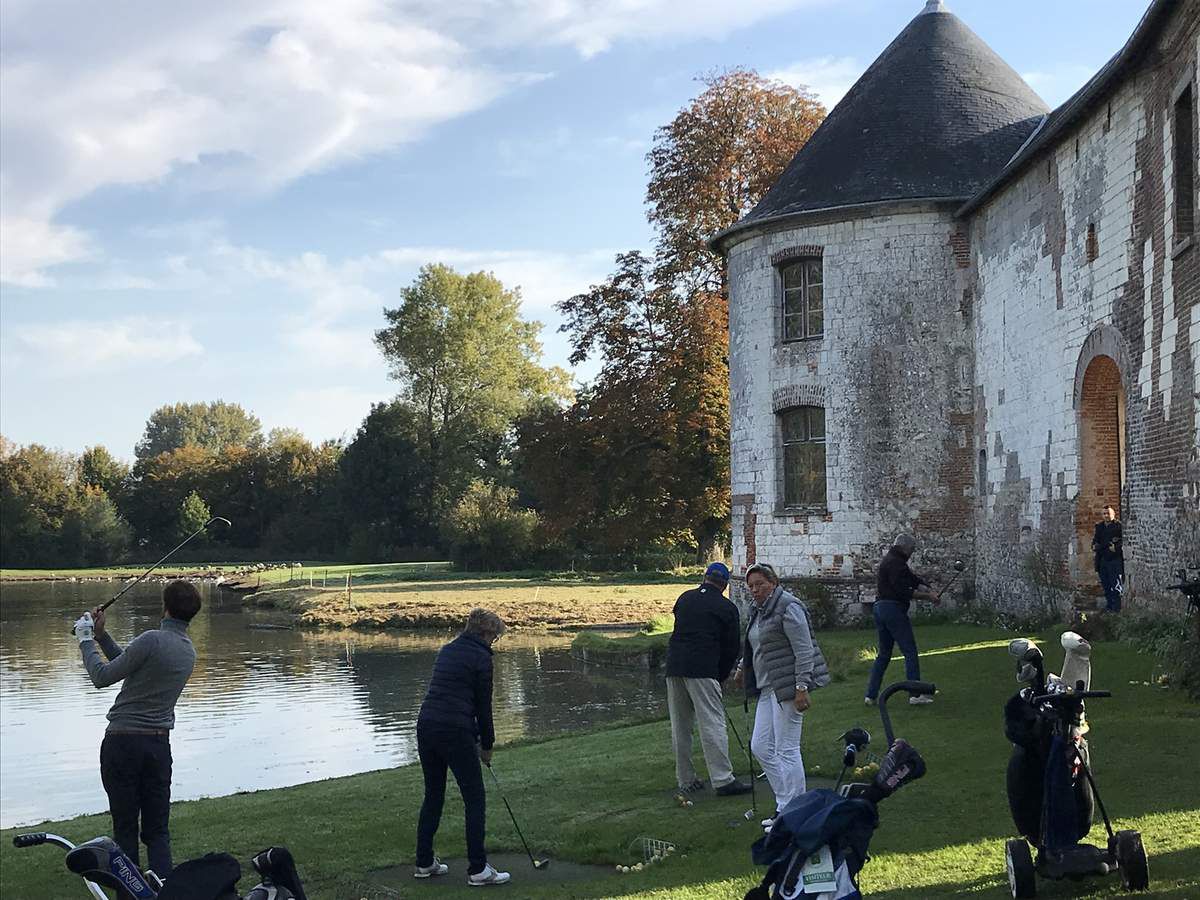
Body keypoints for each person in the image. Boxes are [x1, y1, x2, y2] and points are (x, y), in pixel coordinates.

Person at [72, 580, 201, 878]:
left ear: (165, 607)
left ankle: (130, 893)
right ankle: (164, 889)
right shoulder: (187, 651)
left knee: (126, 828)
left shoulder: (151, 639)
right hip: (158, 747)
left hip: (123, 745)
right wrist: (102, 637)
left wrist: (85, 639)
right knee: (157, 830)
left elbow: (103, 676)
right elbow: (129, 664)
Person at [414, 608, 510, 886]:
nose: (495, 642)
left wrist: (477, 736)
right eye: (495, 637)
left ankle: (424, 862)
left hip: (427, 725)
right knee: (475, 798)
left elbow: (457, 696)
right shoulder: (482, 657)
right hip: (454, 731)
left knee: (433, 794)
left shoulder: (448, 649)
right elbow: (483, 706)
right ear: (485, 633)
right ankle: (478, 870)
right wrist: (487, 744)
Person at [737, 562, 830, 831]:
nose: (754, 590)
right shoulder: (760, 610)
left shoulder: (788, 607)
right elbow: (756, 644)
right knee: (760, 746)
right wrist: (743, 667)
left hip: (789, 687)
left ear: (773, 582)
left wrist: (802, 688)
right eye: (751, 586)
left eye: (760, 584)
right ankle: (784, 805)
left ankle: (798, 813)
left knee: (787, 749)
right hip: (768, 687)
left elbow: (804, 651)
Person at [664, 562, 752, 796]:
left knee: (680, 726)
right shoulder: (726, 608)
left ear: (705, 578)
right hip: (703, 669)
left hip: (674, 666)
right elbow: (731, 648)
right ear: (724, 584)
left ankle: (685, 779)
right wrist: (721, 675)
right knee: (712, 723)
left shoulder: (684, 598)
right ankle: (723, 780)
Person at [864, 534, 938, 707]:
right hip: (892, 609)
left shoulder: (893, 560)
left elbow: (912, 579)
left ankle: (871, 695)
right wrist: (929, 597)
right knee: (910, 651)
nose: (912, 553)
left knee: (883, 654)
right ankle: (915, 694)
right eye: (912, 549)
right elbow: (904, 590)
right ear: (905, 547)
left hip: (880, 608)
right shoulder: (895, 563)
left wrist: (928, 588)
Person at [1091, 505, 1124, 612]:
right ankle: (1109, 606)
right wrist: (1094, 546)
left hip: (1114, 559)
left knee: (1115, 585)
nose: (1106, 516)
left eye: (1108, 513)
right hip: (1102, 559)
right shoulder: (1099, 527)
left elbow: (1122, 541)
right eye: (1104, 514)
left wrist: (1116, 548)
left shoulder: (1118, 526)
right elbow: (1096, 540)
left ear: (1113, 514)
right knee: (1106, 585)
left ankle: (1116, 608)